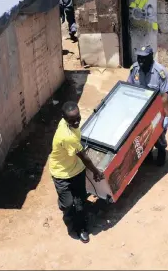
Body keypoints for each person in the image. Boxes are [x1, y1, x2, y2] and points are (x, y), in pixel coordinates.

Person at [49, 101, 104, 244]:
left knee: (80, 202)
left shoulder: (67, 123)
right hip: (61, 173)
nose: (76, 122)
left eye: (78, 117)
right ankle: (65, 206)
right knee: (67, 205)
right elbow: (85, 158)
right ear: (64, 118)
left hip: (77, 170)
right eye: (72, 120)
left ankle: (82, 228)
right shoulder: (66, 136)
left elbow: (81, 157)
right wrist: (97, 172)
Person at [127, 46, 168, 165]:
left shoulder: (160, 72)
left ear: (151, 57)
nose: (140, 60)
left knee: (158, 133)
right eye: (139, 57)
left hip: (157, 109)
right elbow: (129, 88)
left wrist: (167, 116)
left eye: (144, 58)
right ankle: (147, 153)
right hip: (140, 109)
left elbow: (165, 96)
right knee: (142, 133)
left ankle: (161, 151)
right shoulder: (135, 69)